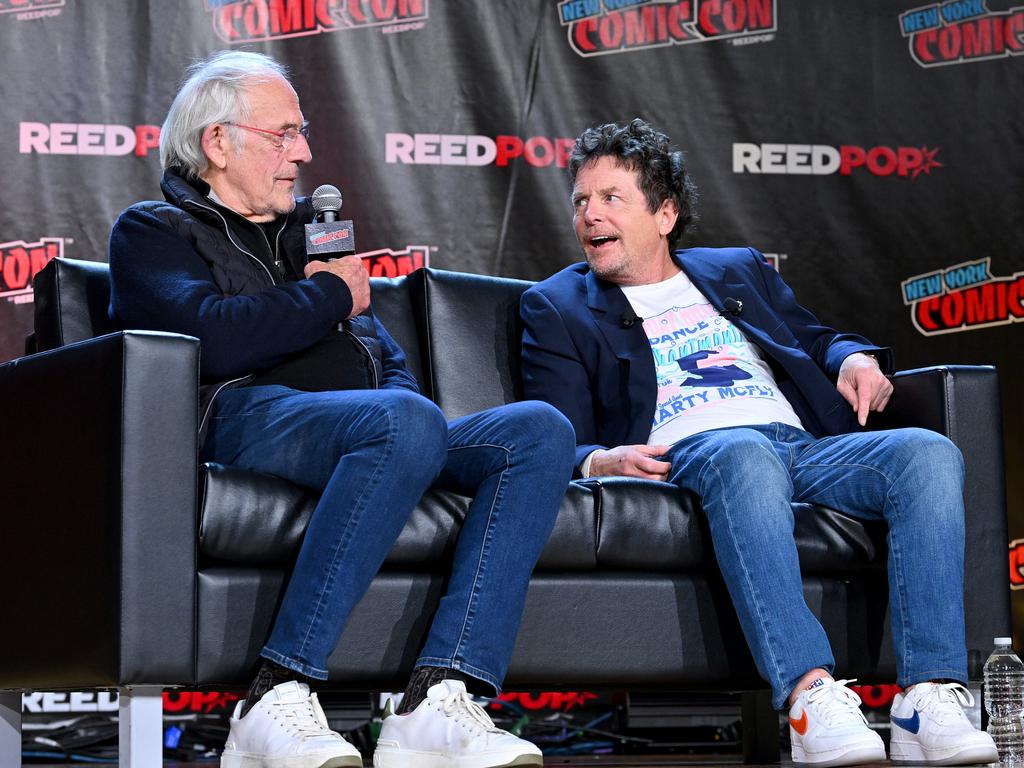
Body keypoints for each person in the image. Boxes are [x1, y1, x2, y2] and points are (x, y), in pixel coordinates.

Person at [107, 50, 574, 768]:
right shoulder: (155, 231)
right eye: (283, 134)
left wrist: (409, 413)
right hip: (239, 414)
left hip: (368, 427)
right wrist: (330, 295)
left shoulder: (311, 237)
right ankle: (277, 688)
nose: (305, 152)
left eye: (302, 132)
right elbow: (211, 338)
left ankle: (438, 698)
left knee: (537, 432)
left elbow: (379, 352)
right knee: (402, 422)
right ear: (218, 143)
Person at [519, 117, 998, 767]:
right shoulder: (557, 305)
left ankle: (928, 696)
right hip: (698, 449)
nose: (589, 215)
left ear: (665, 214)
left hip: (802, 446)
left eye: (611, 199)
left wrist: (852, 357)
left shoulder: (736, 270)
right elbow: (558, 428)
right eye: (580, 200)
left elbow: (815, 336)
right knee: (743, 452)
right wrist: (598, 460)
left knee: (926, 452)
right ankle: (810, 695)